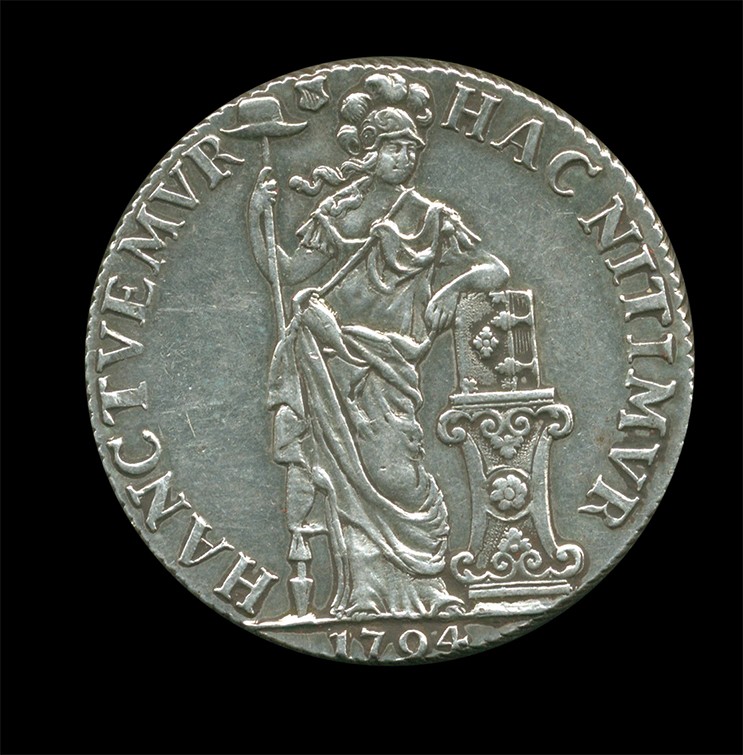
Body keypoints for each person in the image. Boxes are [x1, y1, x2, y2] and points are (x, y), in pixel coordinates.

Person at [248, 73, 509, 620]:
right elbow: (287, 271)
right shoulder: (338, 214)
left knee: (398, 476)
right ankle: (362, 597)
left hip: (393, 365)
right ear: (370, 151)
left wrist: (454, 287)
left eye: (412, 149)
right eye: (394, 148)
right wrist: (257, 218)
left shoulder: (429, 217)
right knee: (342, 478)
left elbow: (494, 269)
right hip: (331, 361)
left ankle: (419, 592)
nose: (405, 158)